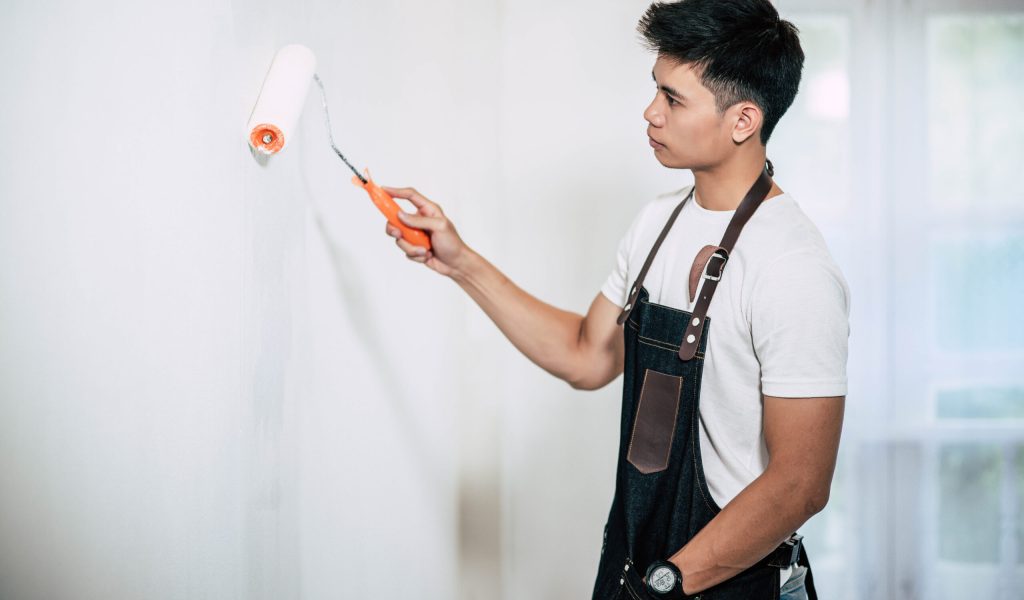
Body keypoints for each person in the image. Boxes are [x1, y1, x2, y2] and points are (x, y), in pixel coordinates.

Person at [381, 1, 849, 598]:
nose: (650, 113)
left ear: (743, 119)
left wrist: (670, 582)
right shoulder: (658, 222)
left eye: (674, 99)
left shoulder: (792, 266)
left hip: (732, 580)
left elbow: (800, 485)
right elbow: (587, 355)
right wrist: (461, 262)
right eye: (655, 89)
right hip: (639, 562)